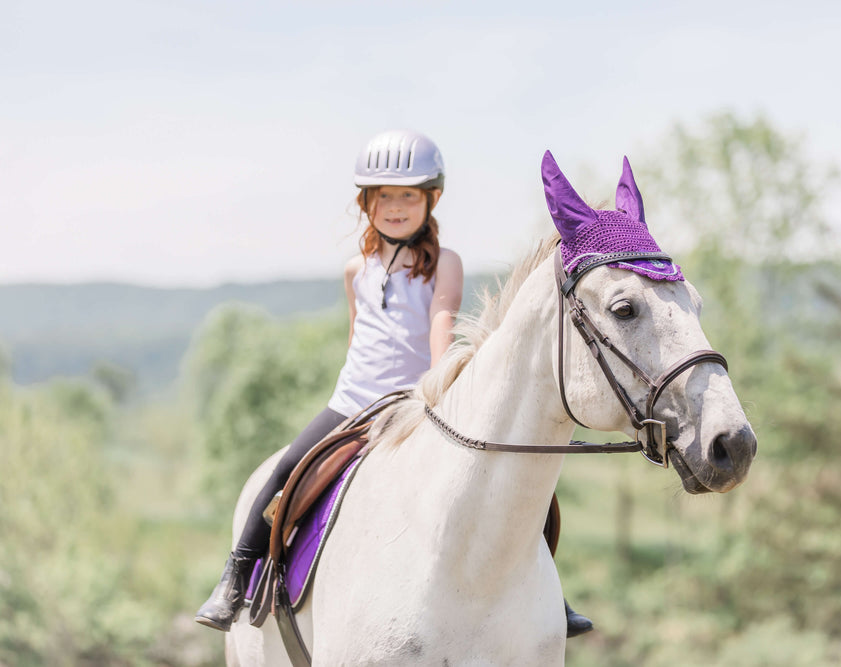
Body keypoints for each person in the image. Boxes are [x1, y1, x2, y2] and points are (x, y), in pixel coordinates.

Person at [194, 129, 592, 638]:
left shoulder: (443, 263)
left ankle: (549, 594)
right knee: (286, 473)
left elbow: (441, 321)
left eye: (409, 195)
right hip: (355, 399)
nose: (397, 207)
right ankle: (235, 576)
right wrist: (351, 388)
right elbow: (359, 334)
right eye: (385, 196)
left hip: (413, 398)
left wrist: (437, 387)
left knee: (513, 485)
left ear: (432, 200)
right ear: (366, 203)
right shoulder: (355, 269)